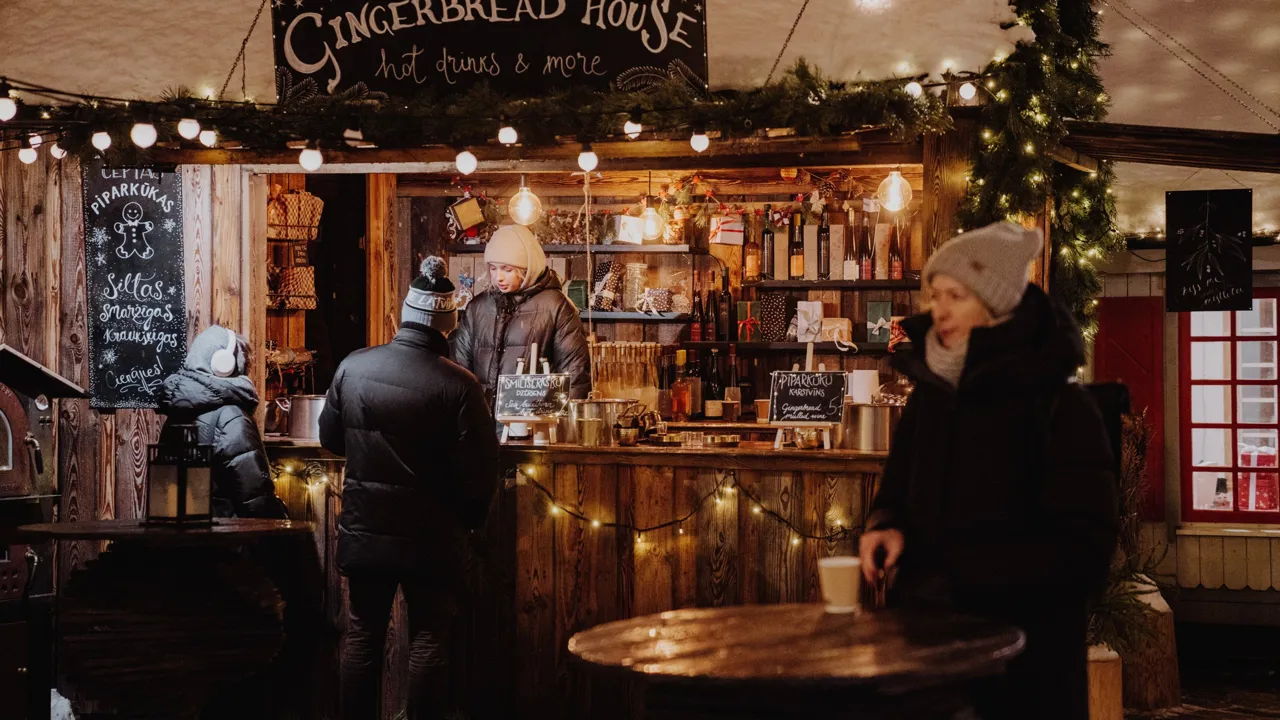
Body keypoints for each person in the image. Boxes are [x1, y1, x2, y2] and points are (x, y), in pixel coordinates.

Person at [858, 222, 1118, 720]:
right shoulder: (931, 395)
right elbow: (897, 490)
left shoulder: (1060, 408)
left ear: (997, 306)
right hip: (929, 659)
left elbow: (1085, 553)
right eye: (936, 295)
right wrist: (885, 524)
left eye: (956, 296)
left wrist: (958, 575)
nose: (940, 310)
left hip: (1024, 669)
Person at [320, 256, 500, 720]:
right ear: (447, 323)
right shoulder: (460, 386)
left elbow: (331, 439)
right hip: (432, 539)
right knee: (428, 641)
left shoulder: (354, 366)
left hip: (365, 531)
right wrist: (470, 526)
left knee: (363, 637)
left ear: (406, 314)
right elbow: (480, 471)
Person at [157, 324, 287, 519]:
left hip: (182, 530)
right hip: (224, 531)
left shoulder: (178, 411)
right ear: (226, 364)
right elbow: (255, 498)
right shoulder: (231, 417)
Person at [452, 224, 591, 405]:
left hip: (535, 419)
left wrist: (559, 420)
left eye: (507, 269)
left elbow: (574, 375)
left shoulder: (556, 307)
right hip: (480, 419)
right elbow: (459, 372)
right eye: (493, 268)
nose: (498, 277)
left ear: (527, 268)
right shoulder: (477, 308)